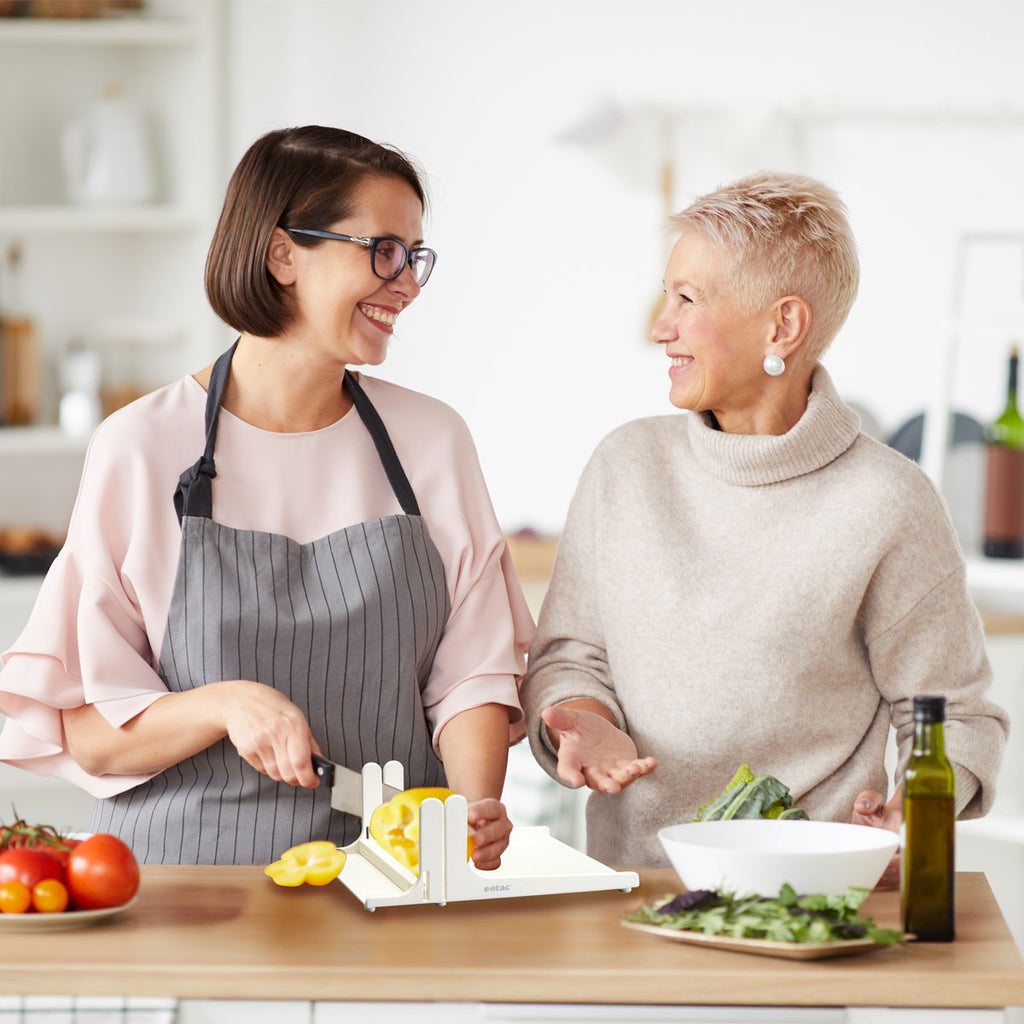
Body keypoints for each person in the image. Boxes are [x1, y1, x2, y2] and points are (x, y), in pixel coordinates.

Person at [0, 126, 533, 868]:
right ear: (283, 254)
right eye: (383, 251)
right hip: (183, 891)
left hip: (393, 881)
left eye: (414, 258)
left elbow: (471, 673)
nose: (406, 283)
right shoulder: (141, 447)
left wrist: (474, 807)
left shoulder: (432, 440)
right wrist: (224, 704)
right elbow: (87, 731)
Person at [521, 171, 1008, 876]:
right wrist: (583, 720)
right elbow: (569, 656)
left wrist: (916, 806)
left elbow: (956, 717)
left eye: (686, 300)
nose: (661, 327)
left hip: (810, 898)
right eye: (667, 295)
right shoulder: (626, 466)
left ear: (782, 325)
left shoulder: (889, 501)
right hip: (631, 894)